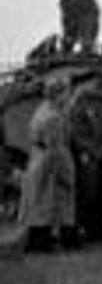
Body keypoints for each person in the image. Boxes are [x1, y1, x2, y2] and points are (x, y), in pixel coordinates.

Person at [21, 72, 79, 253]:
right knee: (52, 204)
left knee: (42, 204)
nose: (69, 96)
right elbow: (54, 149)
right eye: (67, 93)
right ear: (58, 94)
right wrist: (65, 175)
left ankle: (44, 242)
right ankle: (48, 243)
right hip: (50, 161)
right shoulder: (52, 117)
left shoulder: (43, 110)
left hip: (39, 159)